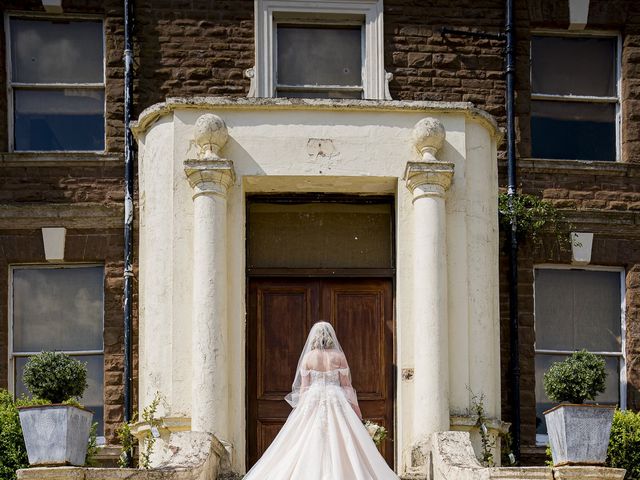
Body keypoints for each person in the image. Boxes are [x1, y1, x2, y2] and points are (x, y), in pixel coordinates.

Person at [244, 321, 399, 480]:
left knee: (306, 437)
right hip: (336, 398)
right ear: (331, 336)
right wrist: (357, 412)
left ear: (314, 337)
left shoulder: (308, 358)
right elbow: (347, 386)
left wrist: (299, 411)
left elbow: (304, 388)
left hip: (313, 398)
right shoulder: (338, 356)